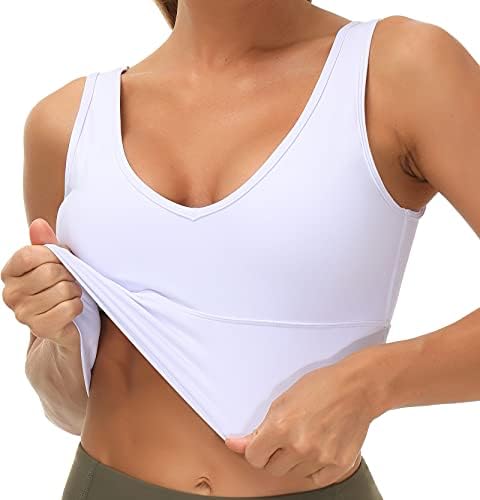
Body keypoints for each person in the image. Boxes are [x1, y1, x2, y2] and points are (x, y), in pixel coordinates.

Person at [1, 1, 479, 499]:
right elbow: (69, 408)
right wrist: (60, 339)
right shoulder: (66, 123)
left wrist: (373, 382)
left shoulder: (400, 70)